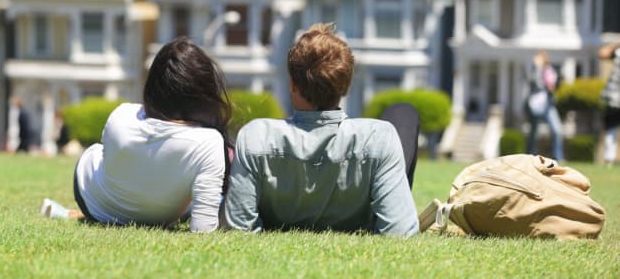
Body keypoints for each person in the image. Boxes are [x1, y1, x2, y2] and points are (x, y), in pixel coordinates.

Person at [223, 23, 419, 235]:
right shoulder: (380, 136)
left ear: (293, 85)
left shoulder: (255, 136)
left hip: (276, 212)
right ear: (345, 84)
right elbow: (401, 231)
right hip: (363, 210)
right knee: (403, 113)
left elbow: (239, 226)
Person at [40, 37, 232, 232]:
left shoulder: (122, 114)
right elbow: (203, 228)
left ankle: (74, 214)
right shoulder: (209, 142)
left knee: (95, 154)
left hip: (97, 204)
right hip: (162, 214)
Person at [524, 51, 564, 161]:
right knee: (533, 132)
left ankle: (558, 156)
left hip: (548, 104)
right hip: (535, 105)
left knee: (557, 130)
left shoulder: (549, 70)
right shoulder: (533, 70)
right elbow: (533, 82)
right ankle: (530, 155)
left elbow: (553, 85)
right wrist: (537, 68)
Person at [599, 42, 620, 166]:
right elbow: (602, 53)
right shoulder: (618, 52)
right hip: (614, 97)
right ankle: (609, 159)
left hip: (614, 97)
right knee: (611, 128)